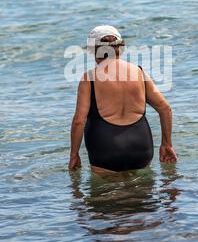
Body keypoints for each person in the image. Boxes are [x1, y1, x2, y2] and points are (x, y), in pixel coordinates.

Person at [68, 25, 177, 174]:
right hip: (140, 148)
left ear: (93, 50)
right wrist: (167, 144)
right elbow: (165, 109)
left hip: (105, 150)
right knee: (141, 194)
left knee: (105, 195)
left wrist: (74, 155)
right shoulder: (139, 73)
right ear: (121, 47)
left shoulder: (90, 78)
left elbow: (79, 120)